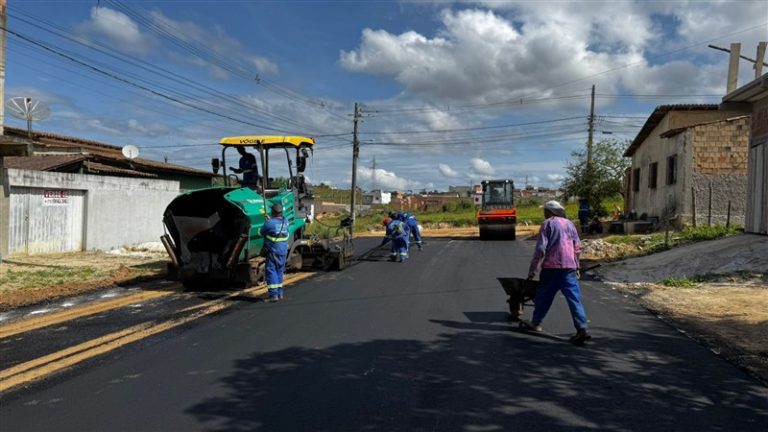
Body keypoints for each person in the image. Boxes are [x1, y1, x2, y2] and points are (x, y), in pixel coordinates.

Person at [527, 200, 591, 344]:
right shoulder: (570, 224)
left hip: (551, 268)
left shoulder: (547, 224)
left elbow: (540, 249)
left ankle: (536, 322)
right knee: (574, 299)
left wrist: (533, 270)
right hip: (569, 268)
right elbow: (578, 247)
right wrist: (577, 265)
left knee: (544, 296)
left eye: (545, 211)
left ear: (550, 212)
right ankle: (582, 329)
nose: (544, 213)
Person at [260, 203, 289, 301]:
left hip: (273, 250)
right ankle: (280, 294)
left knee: (271, 271)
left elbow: (260, 232)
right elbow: (275, 227)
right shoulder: (286, 221)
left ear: (273, 212)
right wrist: (269, 221)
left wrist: (267, 222)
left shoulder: (270, 223)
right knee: (279, 270)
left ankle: (273, 295)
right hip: (283, 250)